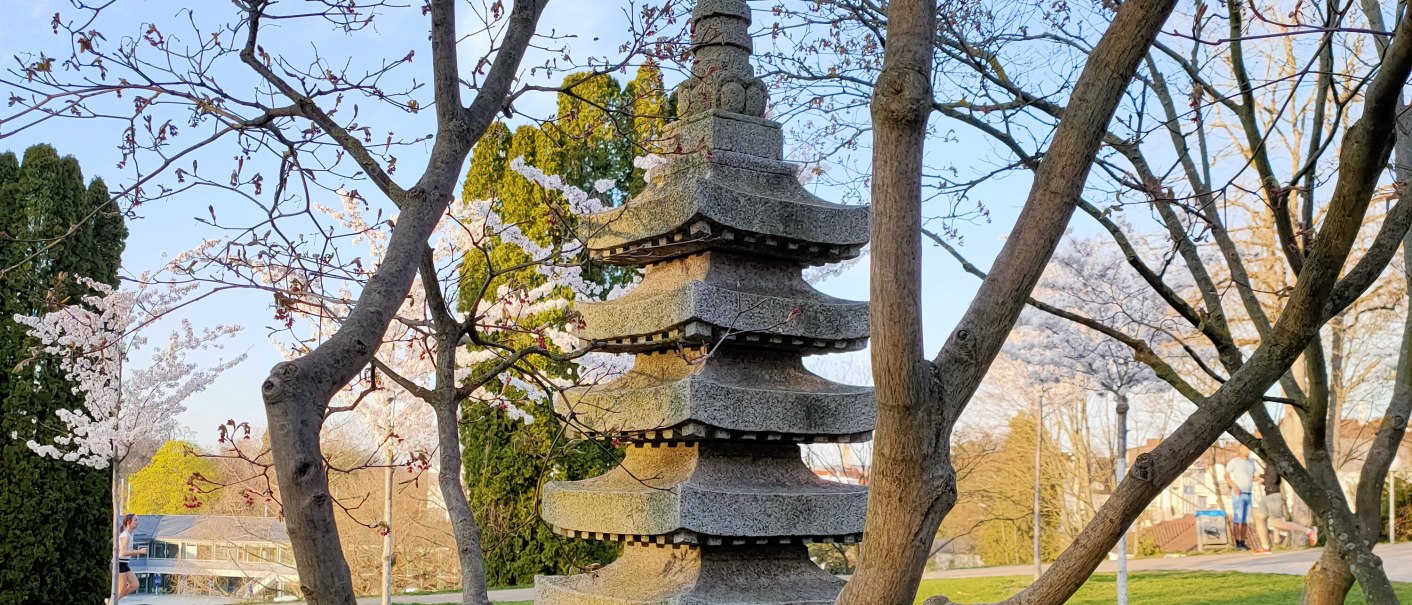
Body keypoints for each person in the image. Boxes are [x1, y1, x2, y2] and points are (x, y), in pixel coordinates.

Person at [1251, 462, 1317, 553]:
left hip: (1274, 496)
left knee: (1277, 523)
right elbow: (1270, 480)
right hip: (1268, 494)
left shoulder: (1272, 462)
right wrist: (1260, 480)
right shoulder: (1268, 462)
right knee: (1259, 517)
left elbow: (1274, 479)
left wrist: (1261, 477)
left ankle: (1308, 531)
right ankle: (1265, 547)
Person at [107, 513, 147, 604]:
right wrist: (139, 551)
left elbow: (127, 550)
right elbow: (123, 552)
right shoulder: (125, 535)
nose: (138, 522)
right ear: (129, 522)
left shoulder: (130, 534)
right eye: (135, 520)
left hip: (124, 564)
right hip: (118, 564)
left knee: (135, 585)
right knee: (122, 588)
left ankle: (111, 601)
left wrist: (135, 551)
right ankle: (111, 602)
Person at [1224, 444, 1256, 550]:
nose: (1248, 451)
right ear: (1241, 449)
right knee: (1237, 518)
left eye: (1249, 449)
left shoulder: (1252, 462)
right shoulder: (1235, 461)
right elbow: (1226, 476)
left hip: (1249, 493)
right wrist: (1234, 486)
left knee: (1245, 520)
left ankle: (1243, 542)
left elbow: (1254, 476)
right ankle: (1237, 542)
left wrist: (1259, 479)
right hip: (1239, 494)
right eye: (1246, 449)